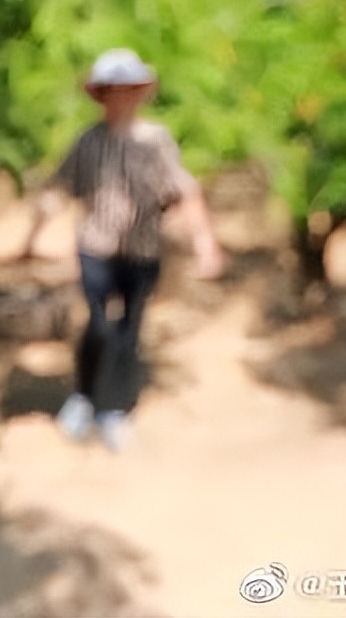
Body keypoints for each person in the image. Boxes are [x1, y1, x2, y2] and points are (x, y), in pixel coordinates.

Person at [24, 48, 226, 451]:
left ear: (137, 93)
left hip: (142, 251)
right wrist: (32, 237)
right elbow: (60, 188)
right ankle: (83, 396)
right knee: (98, 324)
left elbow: (184, 191)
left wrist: (204, 243)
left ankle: (114, 409)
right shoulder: (88, 141)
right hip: (96, 247)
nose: (120, 97)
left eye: (127, 89)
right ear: (103, 95)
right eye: (113, 90)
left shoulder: (156, 142)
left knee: (128, 330)